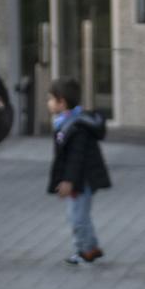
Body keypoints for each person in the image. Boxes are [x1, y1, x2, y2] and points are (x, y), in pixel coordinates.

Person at [46, 77, 110, 266]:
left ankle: (85, 251)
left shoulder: (76, 126)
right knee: (78, 215)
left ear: (61, 102)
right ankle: (89, 247)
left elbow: (76, 158)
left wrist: (68, 181)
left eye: (50, 99)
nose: (48, 103)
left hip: (83, 179)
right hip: (79, 179)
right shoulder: (65, 123)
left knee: (78, 217)